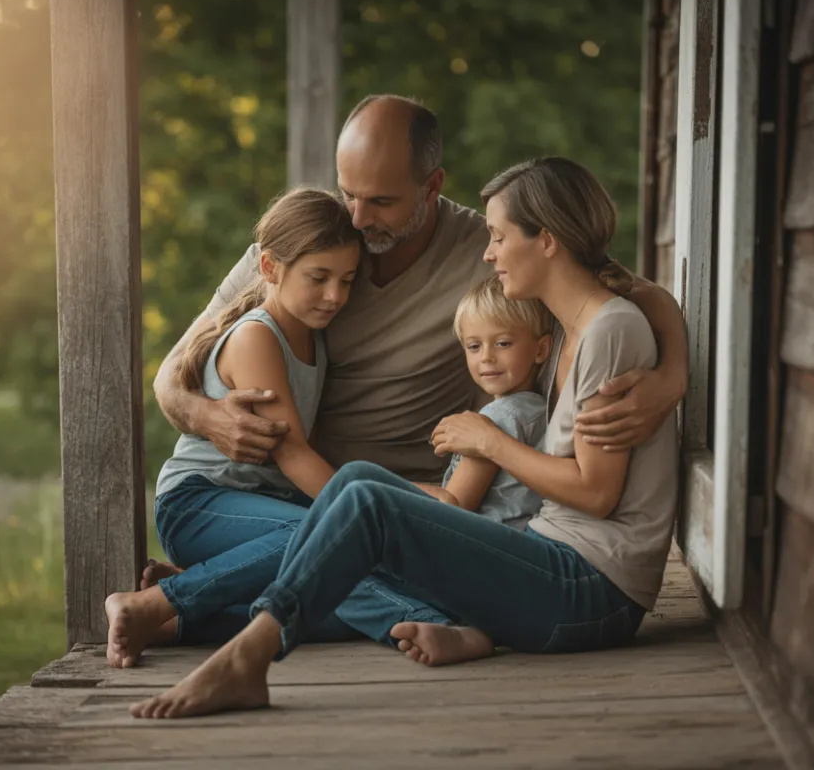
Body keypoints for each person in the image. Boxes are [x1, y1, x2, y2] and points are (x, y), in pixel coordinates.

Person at [129, 156, 680, 719]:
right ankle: (201, 624)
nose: (487, 253)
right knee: (357, 485)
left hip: (591, 587)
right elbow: (649, 295)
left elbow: (596, 493)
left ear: (548, 241)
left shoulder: (609, 328)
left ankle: (243, 654)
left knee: (364, 502)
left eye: (498, 237)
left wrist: (489, 441)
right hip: (553, 558)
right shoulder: (562, 326)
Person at [151, 93, 687, 494]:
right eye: (348, 193)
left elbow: (638, 293)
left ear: (432, 186)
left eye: (381, 201)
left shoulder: (490, 251)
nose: (357, 219)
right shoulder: (303, 249)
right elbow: (172, 373)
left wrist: (671, 379)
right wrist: (206, 417)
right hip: (293, 493)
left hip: (414, 493)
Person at [104, 188, 461, 669]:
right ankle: (156, 603)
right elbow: (295, 457)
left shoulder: (313, 338)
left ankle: (184, 617)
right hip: (198, 504)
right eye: (319, 278)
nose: (335, 295)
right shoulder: (256, 337)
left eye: (347, 280)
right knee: (332, 542)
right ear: (270, 268)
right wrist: (401, 497)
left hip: (266, 511)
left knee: (336, 581)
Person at [416, 274, 550, 531]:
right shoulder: (538, 408)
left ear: (541, 349)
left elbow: (451, 507)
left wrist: (389, 487)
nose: (487, 357)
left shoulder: (499, 418)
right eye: (474, 346)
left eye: (502, 343)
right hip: (519, 540)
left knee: (359, 484)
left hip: (481, 547)